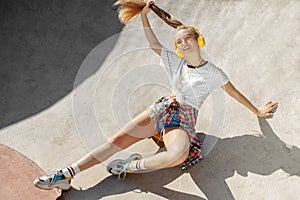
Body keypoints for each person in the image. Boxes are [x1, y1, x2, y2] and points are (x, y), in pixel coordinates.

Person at [34, 0, 278, 190]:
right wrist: (144, 17)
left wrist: (257, 111)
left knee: (176, 155)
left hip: (182, 121)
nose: (183, 44)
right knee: (114, 142)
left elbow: (234, 93)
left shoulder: (213, 72)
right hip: (162, 109)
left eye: (187, 39)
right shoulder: (176, 63)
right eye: (179, 41)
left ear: (198, 40)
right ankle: (65, 174)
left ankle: (128, 166)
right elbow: (153, 44)